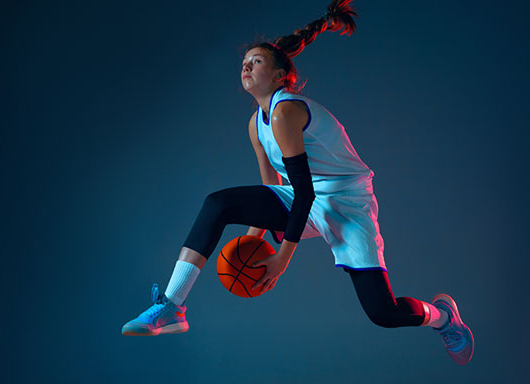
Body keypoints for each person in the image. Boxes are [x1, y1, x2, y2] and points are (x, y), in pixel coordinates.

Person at [119, 0, 473, 365]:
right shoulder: (256, 124)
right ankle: (172, 307)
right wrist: (254, 239)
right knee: (218, 204)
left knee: (383, 313)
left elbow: (304, 192)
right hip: (303, 197)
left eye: (256, 61)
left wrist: (281, 259)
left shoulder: (286, 111)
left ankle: (443, 317)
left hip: (346, 203)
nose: (246, 66)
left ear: (279, 76)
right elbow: (272, 187)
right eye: (245, 62)